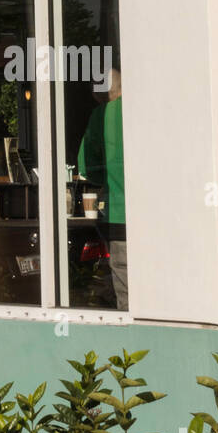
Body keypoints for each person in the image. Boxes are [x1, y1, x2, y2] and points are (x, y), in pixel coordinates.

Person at [77, 63, 127, 309]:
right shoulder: (144, 109)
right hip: (157, 216)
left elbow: (86, 167)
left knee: (127, 292)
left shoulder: (101, 116)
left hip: (118, 215)